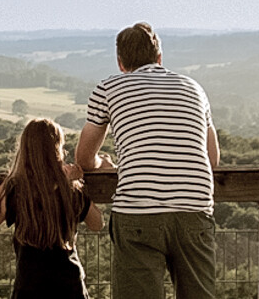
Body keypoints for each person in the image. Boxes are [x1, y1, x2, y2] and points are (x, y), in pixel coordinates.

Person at [68, 23, 219, 299]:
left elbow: (83, 159)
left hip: (137, 208)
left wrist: (104, 164)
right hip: (194, 208)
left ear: (120, 62)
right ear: (159, 57)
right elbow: (212, 158)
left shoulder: (108, 88)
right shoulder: (194, 88)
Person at [0, 119, 104, 299]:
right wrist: (77, 184)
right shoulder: (70, 189)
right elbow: (98, 223)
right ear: (57, 149)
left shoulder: (18, 190)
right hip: (70, 285)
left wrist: (11, 178)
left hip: (29, 285)